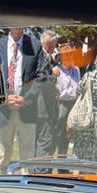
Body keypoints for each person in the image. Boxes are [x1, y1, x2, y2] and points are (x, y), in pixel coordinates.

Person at [0, 27, 42, 173]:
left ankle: (25, 189)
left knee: (28, 158)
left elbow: (42, 75)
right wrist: (4, 97)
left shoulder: (35, 45)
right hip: (3, 109)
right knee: (2, 155)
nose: (16, 25)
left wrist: (27, 99)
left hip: (26, 109)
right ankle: (0, 187)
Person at [35, 29, 60, 157]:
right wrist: (53, 75)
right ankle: (40, 171)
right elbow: (40, 78)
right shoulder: (42, 57)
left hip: (41, 105)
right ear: (50, 43)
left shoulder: (45, 56)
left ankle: (38, 168)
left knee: (40, 139)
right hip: (42, 105)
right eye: (55, 43)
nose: (56, 46)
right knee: (44, 139)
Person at [55, 48, 80, 155]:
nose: (71, 57)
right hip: (60, 104)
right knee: (58, 133)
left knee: (67, 134)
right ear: (62, 57)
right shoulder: (56, 70)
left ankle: (62, 164)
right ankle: (49, 164)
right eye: (68, 55)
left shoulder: (76, 70)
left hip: (73, 104)